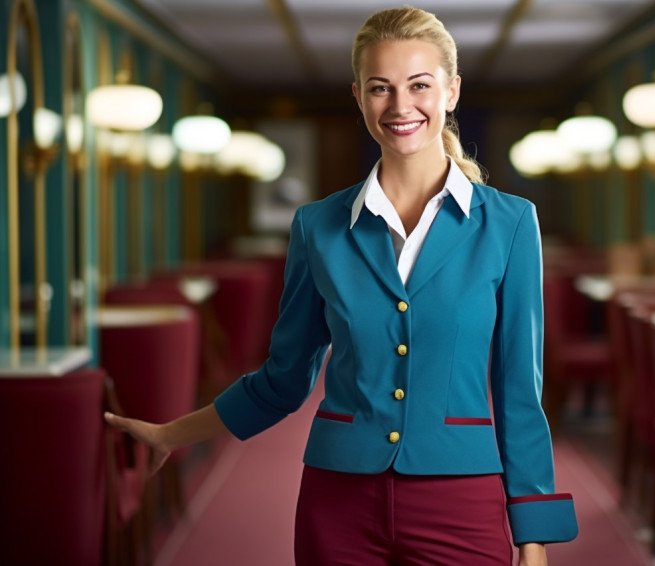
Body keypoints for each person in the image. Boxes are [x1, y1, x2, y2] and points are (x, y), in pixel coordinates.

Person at [105, 5, 578, 565]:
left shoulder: (511, 224)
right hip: (338, 497)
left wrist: (534, 534)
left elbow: (520, 392)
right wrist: (172, 435)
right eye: (381, 88)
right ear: (358, 97)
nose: (401, 106)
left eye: (419, 85)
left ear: (451, 92)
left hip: (462, 494)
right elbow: (284, 379)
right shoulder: (317, 227)